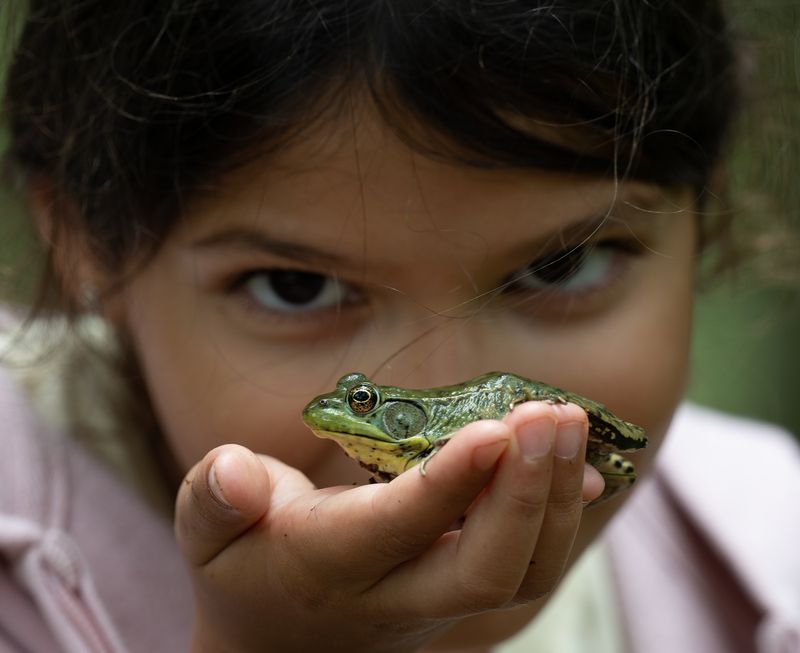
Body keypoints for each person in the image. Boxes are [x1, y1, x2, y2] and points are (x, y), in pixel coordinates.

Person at [1, 2, 798, 652]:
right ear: (88, 244)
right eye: (296, 285)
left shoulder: (774, 544)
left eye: (562, 265)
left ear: (708, 207)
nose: (434, 369)